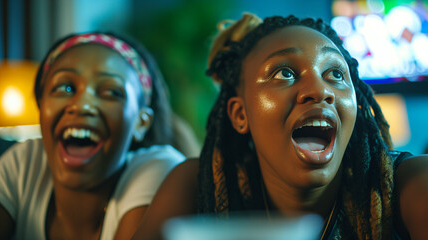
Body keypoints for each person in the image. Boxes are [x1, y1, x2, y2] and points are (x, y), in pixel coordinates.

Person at [132, 13, 428, 240]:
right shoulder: (194, 185)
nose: (319, 90)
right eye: (284, 72)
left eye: (335, 73)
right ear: (239, 114)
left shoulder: (411, 185)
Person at [0, 32, 186, 240]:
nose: (83, 106)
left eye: (111, 92)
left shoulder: (159, 170)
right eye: (65, 88)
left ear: (140, 123)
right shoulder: (24, 164)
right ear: (41, 107)